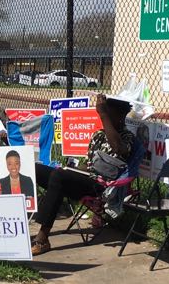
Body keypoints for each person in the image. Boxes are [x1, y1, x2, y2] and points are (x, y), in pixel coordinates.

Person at [30, 94, 135, 256]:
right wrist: (73, 170)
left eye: (109, 113)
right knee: (35, 169)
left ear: (121, 116)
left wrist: (103, 115)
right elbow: (88, 164)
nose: (104, 117)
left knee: (59, 177)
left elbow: (119, 149)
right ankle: (17, 225)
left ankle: (42, 239)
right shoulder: (98, 135)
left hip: (103, 186)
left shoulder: (127, 137)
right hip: (85, 179)